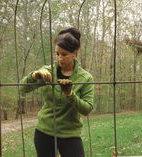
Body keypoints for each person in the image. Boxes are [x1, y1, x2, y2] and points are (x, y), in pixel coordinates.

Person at [20, 27, 94, 157]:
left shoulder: (85, 78)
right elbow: (22, 88)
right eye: (57, 54)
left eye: (64, 54)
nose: (60, 58)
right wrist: (34, 75)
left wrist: (70, 94)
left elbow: (87, 109)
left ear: (75, 53)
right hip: (45, 131)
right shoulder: (48, 72)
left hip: (70, 133)